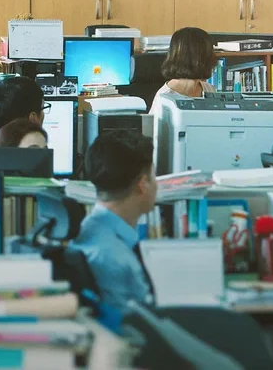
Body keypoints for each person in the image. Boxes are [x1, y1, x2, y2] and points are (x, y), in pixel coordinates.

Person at [69, 131, 158, 311]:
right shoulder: (119, 259)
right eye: (154, 176)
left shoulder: (89, 228)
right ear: (143, 184)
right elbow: (139, 322)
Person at [149, 27, 216, 171]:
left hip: (206, 159)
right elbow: (156, 147)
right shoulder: (165, 98)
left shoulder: (210, 90)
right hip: (176, 166)